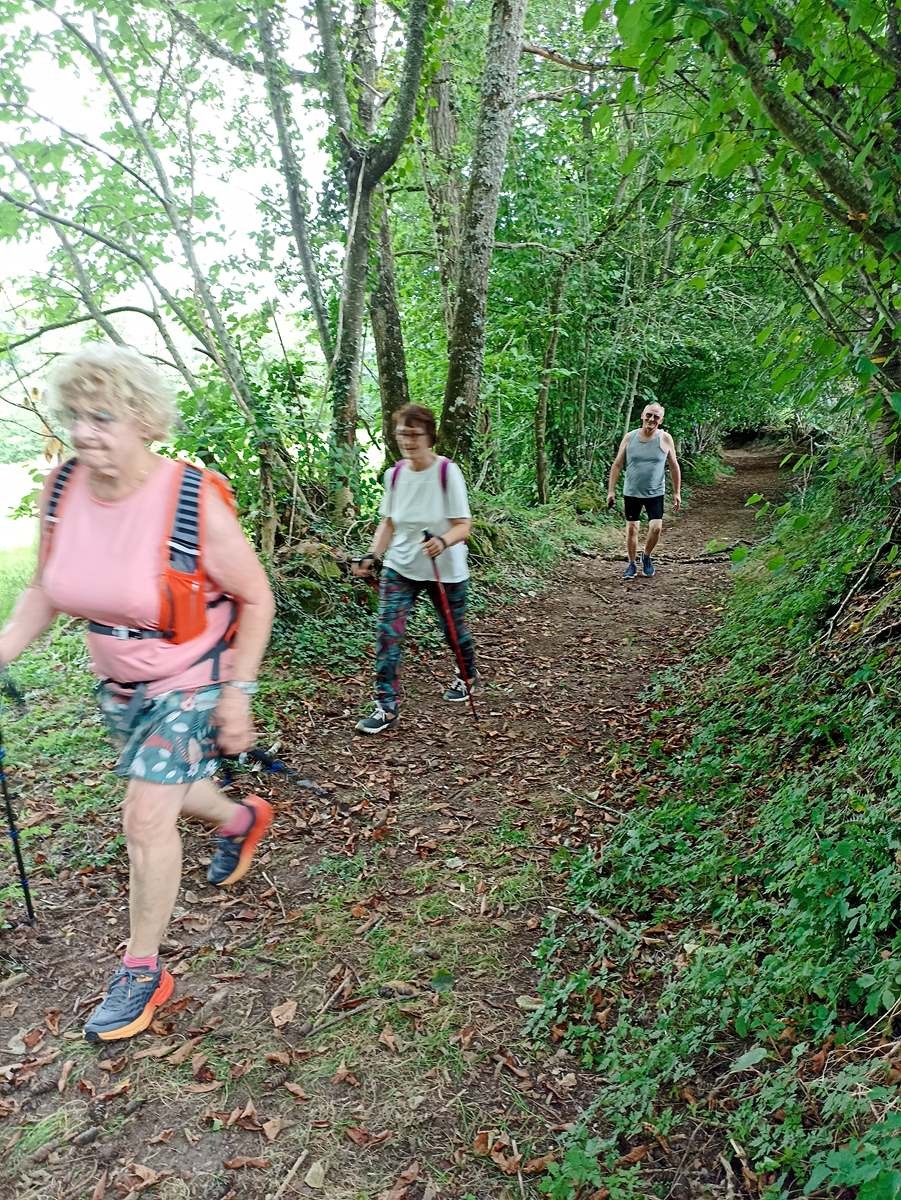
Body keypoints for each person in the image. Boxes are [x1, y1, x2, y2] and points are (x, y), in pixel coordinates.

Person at [0, 346, 275, 1043]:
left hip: (189, 676)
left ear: (143, 419)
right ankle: (240, 820)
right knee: (174, 789)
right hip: (118, 680)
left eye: (102, 416)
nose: (85, 432)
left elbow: (255, 595)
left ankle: (142, 970)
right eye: (74, 417)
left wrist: (237, 693)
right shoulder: (61, 490)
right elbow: (43, 589)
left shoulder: (189, 496)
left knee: (144, 816)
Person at [352, 403, 480, 734]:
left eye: (414, 434)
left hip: (445, 569)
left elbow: (464, 525)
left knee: (454, 633)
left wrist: (443, 540)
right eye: (401, 434)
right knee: (387, 633)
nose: (407, 441)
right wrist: (371, 556)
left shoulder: (446, 472)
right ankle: (386, 706)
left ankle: (467, 674)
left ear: (429, 436)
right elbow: (389, 523)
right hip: (401, 566)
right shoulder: (394, 475)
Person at [607, 403, 681, 578]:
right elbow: (617, 464)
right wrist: (611, 491)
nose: (651, 419)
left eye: (656, 417)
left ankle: (646, 556)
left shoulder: (665, 438)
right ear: (642, 415)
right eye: (649, 415)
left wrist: (677, 492)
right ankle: (631, 564)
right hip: (631, 491)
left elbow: (674, 466)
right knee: (632, 528)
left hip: (655, 492)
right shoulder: (630, 437)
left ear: (661, 420)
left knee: (656, 528)